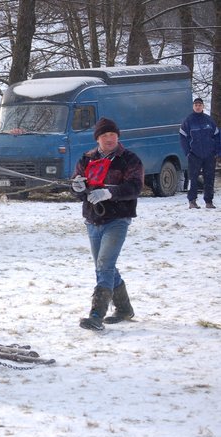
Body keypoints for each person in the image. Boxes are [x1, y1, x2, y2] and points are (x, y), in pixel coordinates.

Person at [71, 117, 143, 331]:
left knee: (104, 265)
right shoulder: (86, 159)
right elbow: (76, 188)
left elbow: (135, 187)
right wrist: (77, 187)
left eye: (113, 135)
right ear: (98, 139)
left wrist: (109, 193)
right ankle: (124, 309)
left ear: (118, 136)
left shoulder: (129, 159)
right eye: (105, 136)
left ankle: (96, 315)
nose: (109, 139)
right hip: (93, 220)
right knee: (104, 267)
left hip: (118, 219)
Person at [179, 97, 220, 209]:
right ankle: (192, 201)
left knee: (209, 178)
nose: (198, 107)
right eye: (196, 105)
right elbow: (183, 137)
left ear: (203, 106)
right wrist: (187, 152)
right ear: (193, 107)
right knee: (193, 178)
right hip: (194, 155)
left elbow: (217, 136)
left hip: (209, 155)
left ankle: (209, 201)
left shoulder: (209, 120)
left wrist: (217, 151)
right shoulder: (188, 121)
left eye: (200, 105)